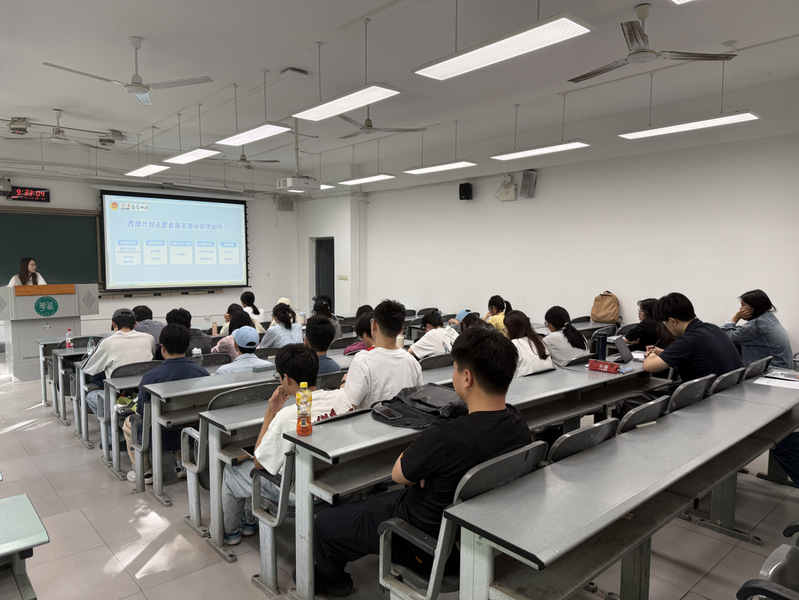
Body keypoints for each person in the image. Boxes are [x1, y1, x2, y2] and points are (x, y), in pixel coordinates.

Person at [312, 327, 532, 596]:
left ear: (467, 377)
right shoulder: (518, 424)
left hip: (422, 541)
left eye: (455, 368)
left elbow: (398, 474)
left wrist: (424, 463)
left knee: (325, 522)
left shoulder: (446, 436)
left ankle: (333, 582)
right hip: (479, 537)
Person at [220, 344, 352, 545]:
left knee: (232, 472)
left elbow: (259, 462)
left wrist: (270, 412)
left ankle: (230, 532)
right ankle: (248, 517)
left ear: (287, 379)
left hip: (302, 491)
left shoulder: (287, 415)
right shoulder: (342, 398)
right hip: (340, 481)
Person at [122, 324, 209, 484]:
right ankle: (181, 464)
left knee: (130, 423)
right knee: (183, 414)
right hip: (193, 431)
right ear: (187, 346)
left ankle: (145, 471)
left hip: (159, 434)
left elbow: (141, 412)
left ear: (162, 348)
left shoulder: (151, 377)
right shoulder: (202, 373)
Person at [83, 308, 156, 445]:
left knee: (91, 397)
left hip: (118, 397)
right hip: (145, 395)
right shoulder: (149, 338)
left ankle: (116, 440)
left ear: (113, 324)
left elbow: (88, 368)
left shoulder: (107, 342)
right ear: (135, 324)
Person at [643, 292, 743, 381]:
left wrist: (652, 353)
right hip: (730, 387)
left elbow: (649, 366)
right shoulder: (712, 328)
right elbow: (696, 353)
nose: (665, 325)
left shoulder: (688, 340)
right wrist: (665, 353)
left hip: (706, 394)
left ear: (673, 321)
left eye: (665, 322)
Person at [342, 299, 423, 409]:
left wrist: (344, 383)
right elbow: (418, 401)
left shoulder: (362, 361)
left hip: (371, 420)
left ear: (374, 325)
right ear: (401, 330)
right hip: (405, 419)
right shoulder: (413, 362)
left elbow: (349, 407)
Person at [721, 289, 793, 370]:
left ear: (754, 307)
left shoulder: (757, 325)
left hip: (771, 372)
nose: (740, 309)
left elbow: (725, 337)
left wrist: (735, 318)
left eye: (743, 305)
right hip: (783, 368)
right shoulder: (768, 317)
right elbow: (742, 331)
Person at [504, 309, 553, 376]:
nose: (505, 332)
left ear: (512, 329)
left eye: (505, 328)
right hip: (549, 380)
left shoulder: (513, 344)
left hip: (526, 381)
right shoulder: (539, 341)